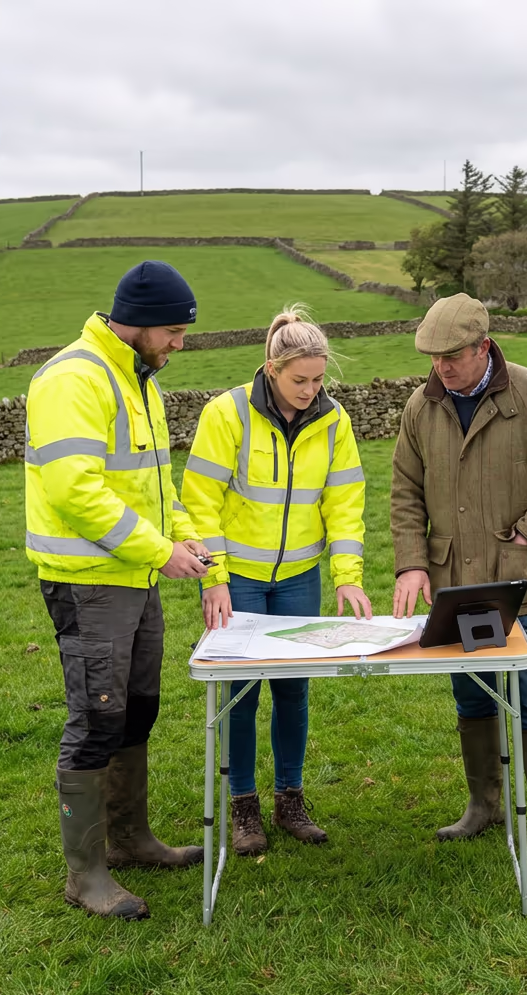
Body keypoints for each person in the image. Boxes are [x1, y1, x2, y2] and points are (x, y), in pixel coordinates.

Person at [25, 260, 211, 920]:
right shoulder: (73, 379)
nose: (179, 346)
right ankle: (86, 875)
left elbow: (155, 488)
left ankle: (132, 840)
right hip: (90, 582)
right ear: (137, 323)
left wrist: (183, 541)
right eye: (173, 332)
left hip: (136, 576)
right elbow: (75, 490)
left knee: (137, 710)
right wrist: (161, 551)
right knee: (96, 718)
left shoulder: (138, 381)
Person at [390, 293, 527, 870]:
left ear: (483, 347)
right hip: (457, 584)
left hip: (522, 583)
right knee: (470, 693)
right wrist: (411, 562)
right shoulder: (420, 407)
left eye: (452, 356)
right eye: (432, 357)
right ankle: (485, 804)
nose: (441, 368)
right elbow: (405, 491)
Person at [181, 306, 370, 856]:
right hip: (235, 579)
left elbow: (345, 502)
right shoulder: (226, 413)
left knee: (293, 690)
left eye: (318, 379)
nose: (311, 390)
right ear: (271, 368)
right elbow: (200, 502)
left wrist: (347, 576)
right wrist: (212, 577)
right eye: (299, 380)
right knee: (240, 691)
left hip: (297, 578)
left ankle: (290, 798)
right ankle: (243, 806)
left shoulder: (334, 422)